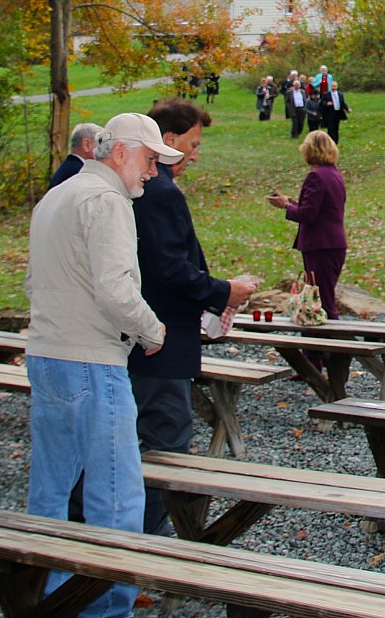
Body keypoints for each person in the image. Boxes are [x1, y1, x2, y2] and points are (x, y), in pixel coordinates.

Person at [24, 112, 176, 618]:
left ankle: (50, 596)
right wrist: (153, 331)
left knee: (50, 489)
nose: (152, 173)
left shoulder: (56, 195)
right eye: (151, 160)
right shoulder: (108, 200)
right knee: (116, 497)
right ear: (121, 153)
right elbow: (116, 290)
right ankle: (107, 609)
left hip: (46, 354)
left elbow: (33, 284)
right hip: (91, 361)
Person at [129, 99, 256, 534]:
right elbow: (169, 269)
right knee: (166, 435)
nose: (198, 154)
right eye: (194, 144)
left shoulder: (141, 187)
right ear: (169, 140)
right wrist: (225, 292)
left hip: (143, 335)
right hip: (160, 338)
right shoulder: (158, 190)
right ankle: (150, 535)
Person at [266, 130, 348, 319]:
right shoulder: (334, 174)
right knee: (321, 297)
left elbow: (308, 215)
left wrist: (285, 205)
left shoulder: (316, 176)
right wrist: (293, 202)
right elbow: (322, 209)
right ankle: (320, 346)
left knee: (320, 301)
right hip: (333, 243)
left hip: (321, 245)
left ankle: (327, 345)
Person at [49, 122, 101, 187]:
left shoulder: (68, 167)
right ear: (87, 145)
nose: (104, 150)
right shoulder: (80, 173)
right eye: (100, 143)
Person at [317, 74, 350, 143]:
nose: (333, 87)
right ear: (330, 86)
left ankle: (336, 142)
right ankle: (331, 142)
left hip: (337, 113)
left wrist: (347, 108)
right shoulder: (326, 94)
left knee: (336, 128)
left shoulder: (340, 94)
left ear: (337, 87)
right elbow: (321, 104)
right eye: (332, 86)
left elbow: (343, 103)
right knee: (330, 129)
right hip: (329, 114)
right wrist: (326, 104)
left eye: (335, 86)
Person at [283, 70, 307, 138]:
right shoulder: (289, 92)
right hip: (293, 109)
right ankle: (294, 135)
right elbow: (287, 101)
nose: (297, 86)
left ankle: (299, 132)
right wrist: (289, 108)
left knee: (301, 123)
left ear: (300, 85)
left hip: (302, 109)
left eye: (298, 85)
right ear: (293, 85)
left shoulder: (303, 92)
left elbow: (305, 99)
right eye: (295, 85)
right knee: (295, 123)